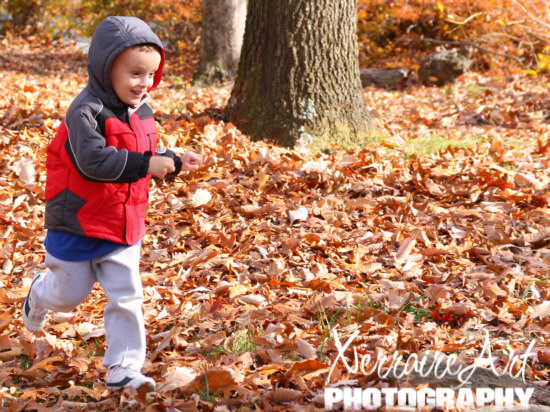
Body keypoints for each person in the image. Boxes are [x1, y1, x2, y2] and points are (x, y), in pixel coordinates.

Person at [21, 16, 202, 392]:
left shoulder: (143, 111)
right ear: (107, 68)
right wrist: (146, 164)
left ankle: (123, 367)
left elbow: (145, 155)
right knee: (70, 295)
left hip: (123, 227)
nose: (144, 84)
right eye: (135, 73)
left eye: (151, 75)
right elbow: (96, 162)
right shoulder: (83, 113)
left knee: (127, 296)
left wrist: (175, 160)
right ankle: (39, 291)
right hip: (79, 222)